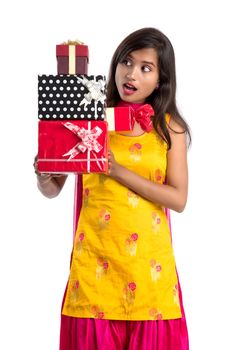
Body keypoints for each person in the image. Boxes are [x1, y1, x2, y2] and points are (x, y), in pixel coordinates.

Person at [35, 27, 191, 350]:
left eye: (145, 68)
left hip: (149, 272)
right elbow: (54, 188)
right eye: (126, 62)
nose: (131, 74)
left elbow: (178, 198)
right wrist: (43, 173)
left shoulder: (169, 126)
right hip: (94, 270)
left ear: (160, 79)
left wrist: (116, 170)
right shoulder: (89, 120)